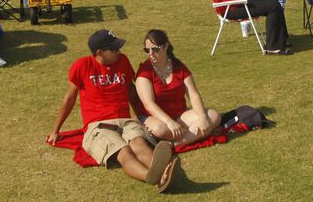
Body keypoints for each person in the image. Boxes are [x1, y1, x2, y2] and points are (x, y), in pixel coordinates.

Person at [46, 30, 179, 193]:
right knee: (124, 151)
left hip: (125, 120)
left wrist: (141, 116)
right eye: (114, 49)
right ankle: (152, 176)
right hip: (98, 125)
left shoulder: (123, 61)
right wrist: (55, 131)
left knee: (139, 143)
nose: (119, 51)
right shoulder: (82, 65)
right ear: (100, 53)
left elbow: (131, 91)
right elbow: (69, 99)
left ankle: (161, 172)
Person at [135, 29, 221, 145]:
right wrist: (169, 122)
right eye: (147, 50)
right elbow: (149, 104)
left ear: (165, 46)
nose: (150, 53)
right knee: (161, 129)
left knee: (213, 116)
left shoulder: (178, 66)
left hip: (179, 116)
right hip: (153, 118)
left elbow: (194, 95)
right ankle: (194, 136)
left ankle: (176, 144)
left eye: (155, 49)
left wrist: (202, 117)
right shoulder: (144, 71)